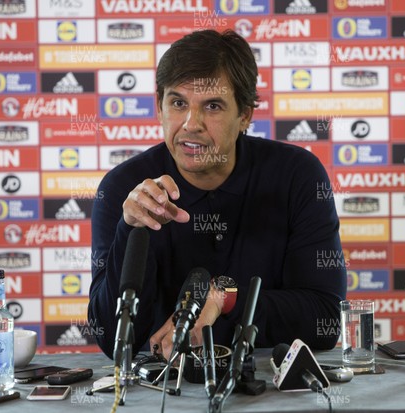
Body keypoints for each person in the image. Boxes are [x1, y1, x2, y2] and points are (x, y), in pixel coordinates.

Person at [88, 29, 347, 361]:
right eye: (178, 103)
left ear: (245, 115)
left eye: (212, 106)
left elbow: (324, 319)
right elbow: (112, 340)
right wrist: (129, 229)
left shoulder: (298, 176)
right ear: (158, 107)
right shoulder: (123, 189)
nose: (191, 123)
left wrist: (224, 300)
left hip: (267, 391)